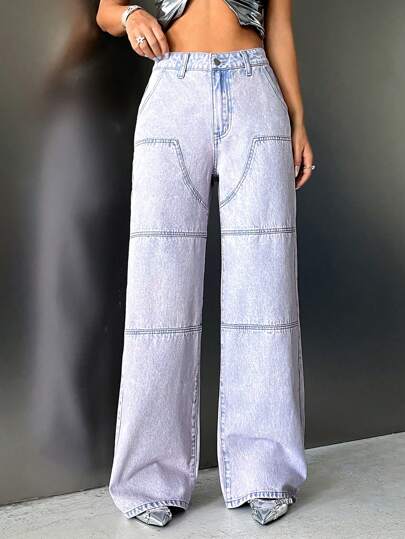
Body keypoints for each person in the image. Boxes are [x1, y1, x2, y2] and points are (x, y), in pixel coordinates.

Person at [96, 0, 314, 528]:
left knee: (265, 293)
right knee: (158, 296)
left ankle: (266, 471)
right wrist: (130, 17)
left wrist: (298, 119)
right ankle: (149, 479)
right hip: (174, 87)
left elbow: (279, 25)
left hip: (255, 87)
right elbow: (106, 10)